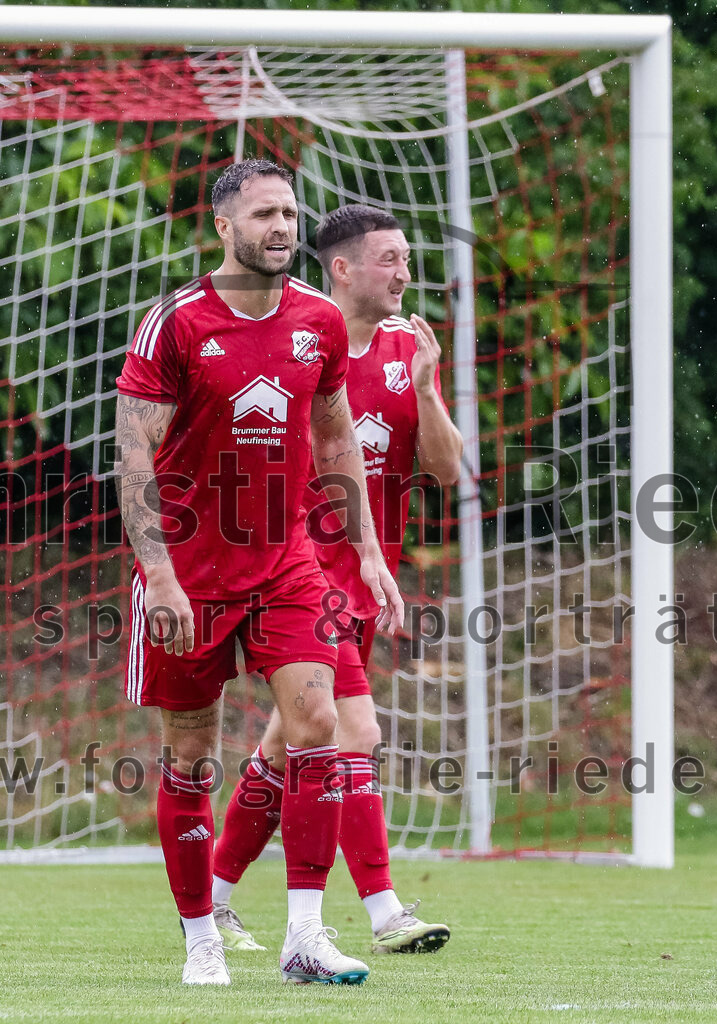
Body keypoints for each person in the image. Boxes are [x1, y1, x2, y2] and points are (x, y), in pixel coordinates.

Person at [114, 164, 403, 987]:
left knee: (319, 726)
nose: (281, 226)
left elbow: (336, 435)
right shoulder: (174, 322)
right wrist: (159, 576)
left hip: (288, 566)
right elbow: (133, 452)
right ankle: (202, 935)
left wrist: (370, 552)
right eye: (264, 214)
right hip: (190, 572)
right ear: (223, 226)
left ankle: (304, 935)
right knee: (192, 756)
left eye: (289, 213)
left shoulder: (317, 319)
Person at [210, 204, 463, 954]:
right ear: (343, 268)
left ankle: (216, 899)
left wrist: (423, 388)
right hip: (294, 573)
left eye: (407, 258)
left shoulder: (403, 348)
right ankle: (384, 913)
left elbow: (445, 470)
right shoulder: (293, 338)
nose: (404, 273)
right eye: (389, 258)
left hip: (363, 576)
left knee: (291, 743)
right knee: (356, 730)